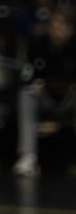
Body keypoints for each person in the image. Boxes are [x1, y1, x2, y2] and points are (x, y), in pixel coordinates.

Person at [13, 9, 75, 177]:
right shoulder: (37, 45)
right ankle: (28, 156)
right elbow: (25, 75)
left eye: (62, 27)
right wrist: (36, 83)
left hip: (70, 98)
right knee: (26, 93)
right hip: (45, 97)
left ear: (70, 30)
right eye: (54, 27)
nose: (57, 31)